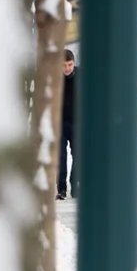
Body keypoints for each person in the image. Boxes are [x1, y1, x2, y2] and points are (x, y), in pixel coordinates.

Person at [57, 48, 78, 201]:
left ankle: (74, 185)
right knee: (60, 156)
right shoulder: (55, 78)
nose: (67, 68)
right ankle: (62, 188)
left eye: (70, 65)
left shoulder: (82, 75)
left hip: (78, 121)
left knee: (78, 155)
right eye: (64, 65)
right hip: (59, 123)